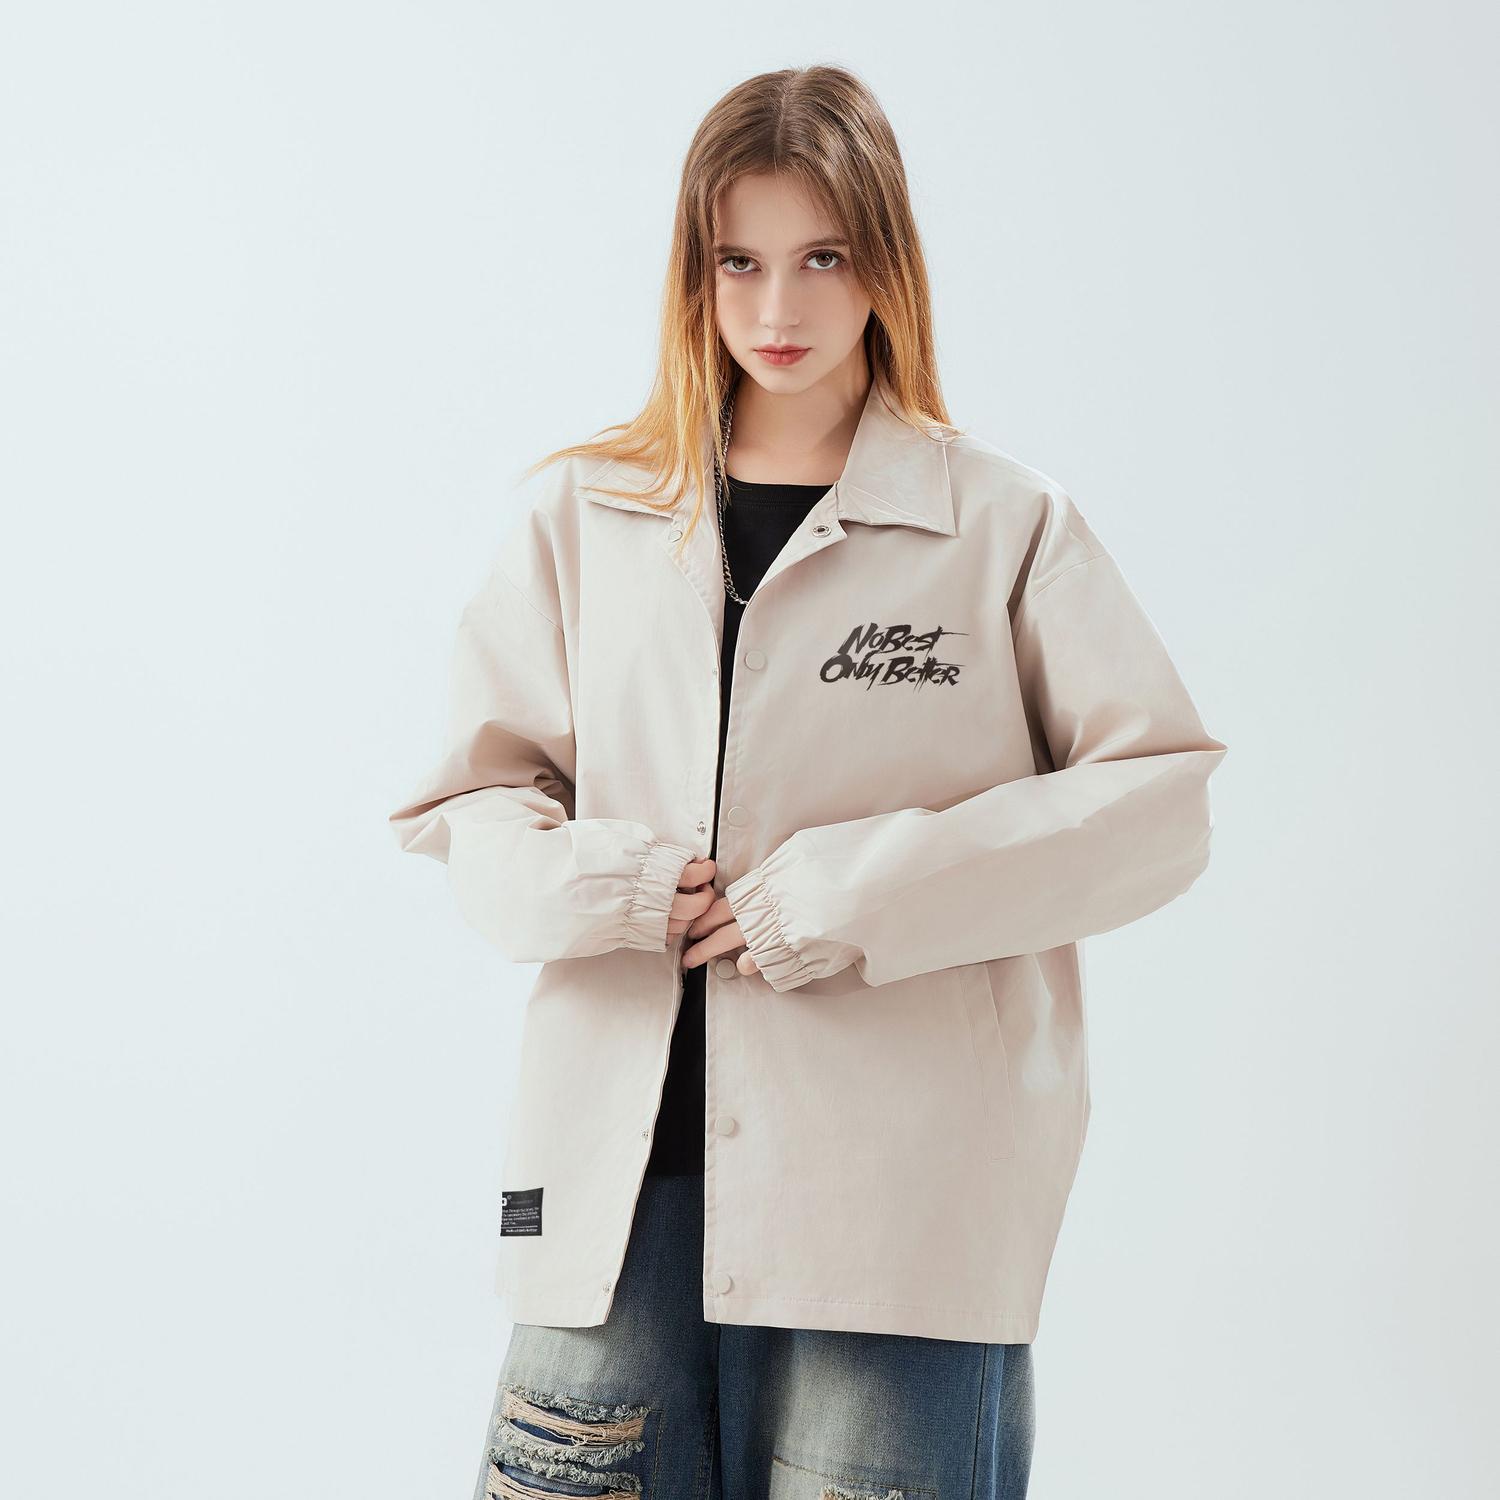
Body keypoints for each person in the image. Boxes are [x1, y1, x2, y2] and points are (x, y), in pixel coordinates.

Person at [387, 64, 1227, 1500]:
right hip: (612, 1203)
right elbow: (464, 806)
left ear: (884, 264)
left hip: (897, 1215)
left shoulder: (1000, 523)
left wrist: (859, 893)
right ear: (694, 272)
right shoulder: (585, 513)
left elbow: (1158, 804)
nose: (778, 308)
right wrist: (614, 882)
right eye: (740, 261)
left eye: (822, 258)